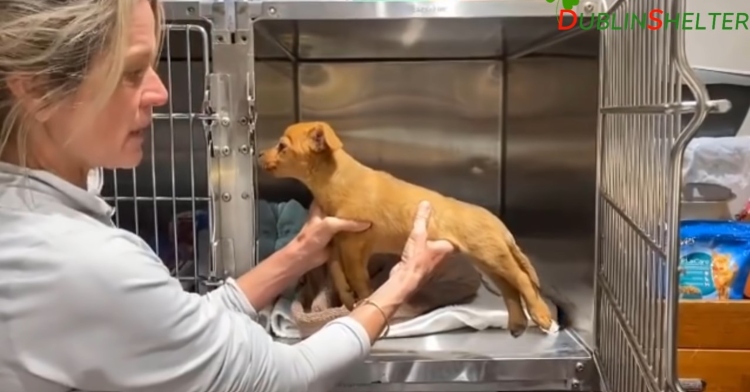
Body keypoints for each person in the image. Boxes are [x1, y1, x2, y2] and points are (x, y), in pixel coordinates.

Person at [0, 1, 455, 392]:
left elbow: (172, 325)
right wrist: (402, 281)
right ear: (38, 89)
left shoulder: (34, 226)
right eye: (132, 72)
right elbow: (286, 377)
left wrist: (299, 252)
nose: (160, 92)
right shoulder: (77, 261)